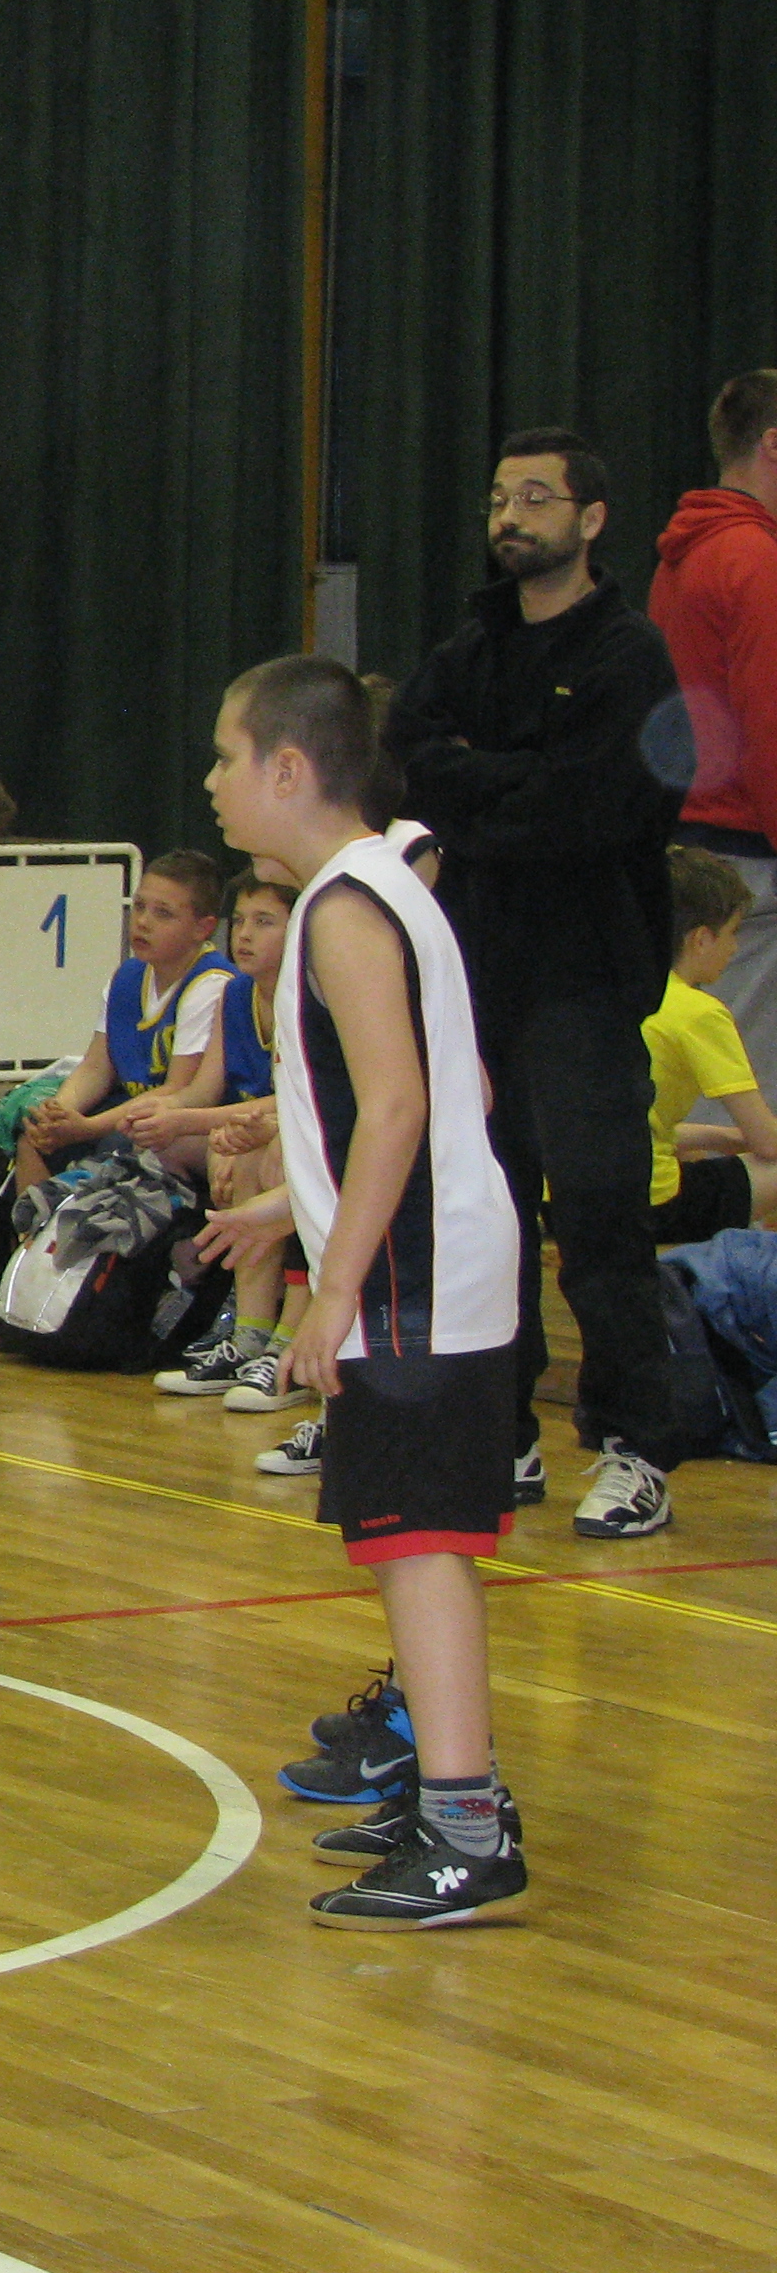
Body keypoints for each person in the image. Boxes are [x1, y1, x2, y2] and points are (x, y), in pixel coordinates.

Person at [198, 655, 528, 1928]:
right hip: (435, 1260)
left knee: (418, 1550)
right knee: (416, 1547)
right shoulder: (386, 885)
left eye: (227, 756)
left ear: (288, 769)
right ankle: (453, 1794)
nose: (213, 782)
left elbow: (399, 1105)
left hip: (411, 1281)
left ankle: (465, 1829)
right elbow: (459, 1093)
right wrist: (295, 1205)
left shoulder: (342, 909)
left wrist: (331, 1287)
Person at [387, 428, 690, 1537]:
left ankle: (635, 1447)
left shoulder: (629, 657)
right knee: (486, 1211)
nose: (510, 517)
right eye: (498, 498)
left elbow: (596, 808)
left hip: (587, 978)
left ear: (591, 519)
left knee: (600, 1213)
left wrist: (481, 790)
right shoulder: (470, 647)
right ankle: (500, 1431)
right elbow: (408, 756)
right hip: (477, 975)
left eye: (535, 497)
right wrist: (511, 784)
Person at [150, 867, 312, 1412]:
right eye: (239, 921)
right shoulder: (237, 993)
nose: (244, 935)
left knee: (277, 1158)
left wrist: (210, 1127)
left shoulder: (311, 994)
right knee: (241, 1153)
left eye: (264, 922)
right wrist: (175, 1118)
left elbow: (304, 1100)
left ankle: (290, 1350)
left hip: (305, 1133)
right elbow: (207, 1090)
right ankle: (249, 1335)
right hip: (259, 1129)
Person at [653, 369, 777, 1073]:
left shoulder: (684, 555)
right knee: (742, 1084)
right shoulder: (753, 558)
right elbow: (770, 729)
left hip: (696, 843)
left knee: (704, 1071)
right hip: (749, 860)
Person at [11, 850, 235, 1189]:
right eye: (139, 906)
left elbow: (179, 1089)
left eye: (163, 913)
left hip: (179, 1124)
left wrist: (87, 1128)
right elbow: (96, 1067)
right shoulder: (127, 977)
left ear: (203, 928)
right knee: (33, 1135)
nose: (143, 922)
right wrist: (59, 1113)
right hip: (128, 1111)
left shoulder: (212, 984)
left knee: (117, 1148)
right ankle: (34, 1222)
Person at [645, 844, 777, 1243]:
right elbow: (768, 1143)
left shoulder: (630, 994)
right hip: (651, 1205)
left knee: (692, 1154)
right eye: (733, 933)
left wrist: (724, 1137)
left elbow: (647, 1129)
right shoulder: (700, 1012)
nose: (735, 948)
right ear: (702, 939)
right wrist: (744, 1138)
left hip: (565, 1199)